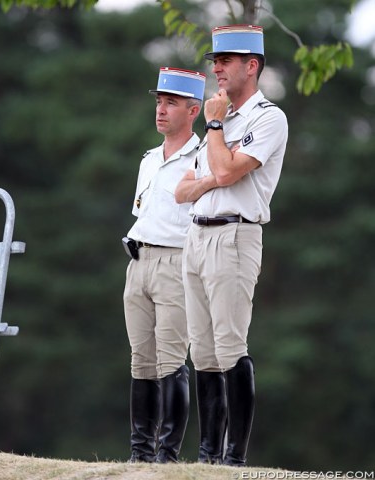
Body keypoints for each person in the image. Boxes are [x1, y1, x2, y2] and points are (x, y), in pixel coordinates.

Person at [175, 25, 288, 466]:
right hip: (197, 235)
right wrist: (215, 172)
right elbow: (183, 191)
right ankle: (207, 456)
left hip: (235, 235)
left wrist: (217, 125)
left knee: (229, 346)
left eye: (225, 61)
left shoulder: (267, 117)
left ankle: (234, 459)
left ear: (252, 66)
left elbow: (223, 174)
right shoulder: (216, 124)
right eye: (215, 61)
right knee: (200, 349)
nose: (216, 69)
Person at [123, 67, 205, 464]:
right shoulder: (149, 159)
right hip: (138, 260)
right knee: (141, 359)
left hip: (176, 263)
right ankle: (140, 454)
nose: (160, 109)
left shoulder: (204, 158)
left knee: (172, 360)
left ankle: (166, 457)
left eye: (171, 103)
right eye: (159, 101)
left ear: (194, 110)